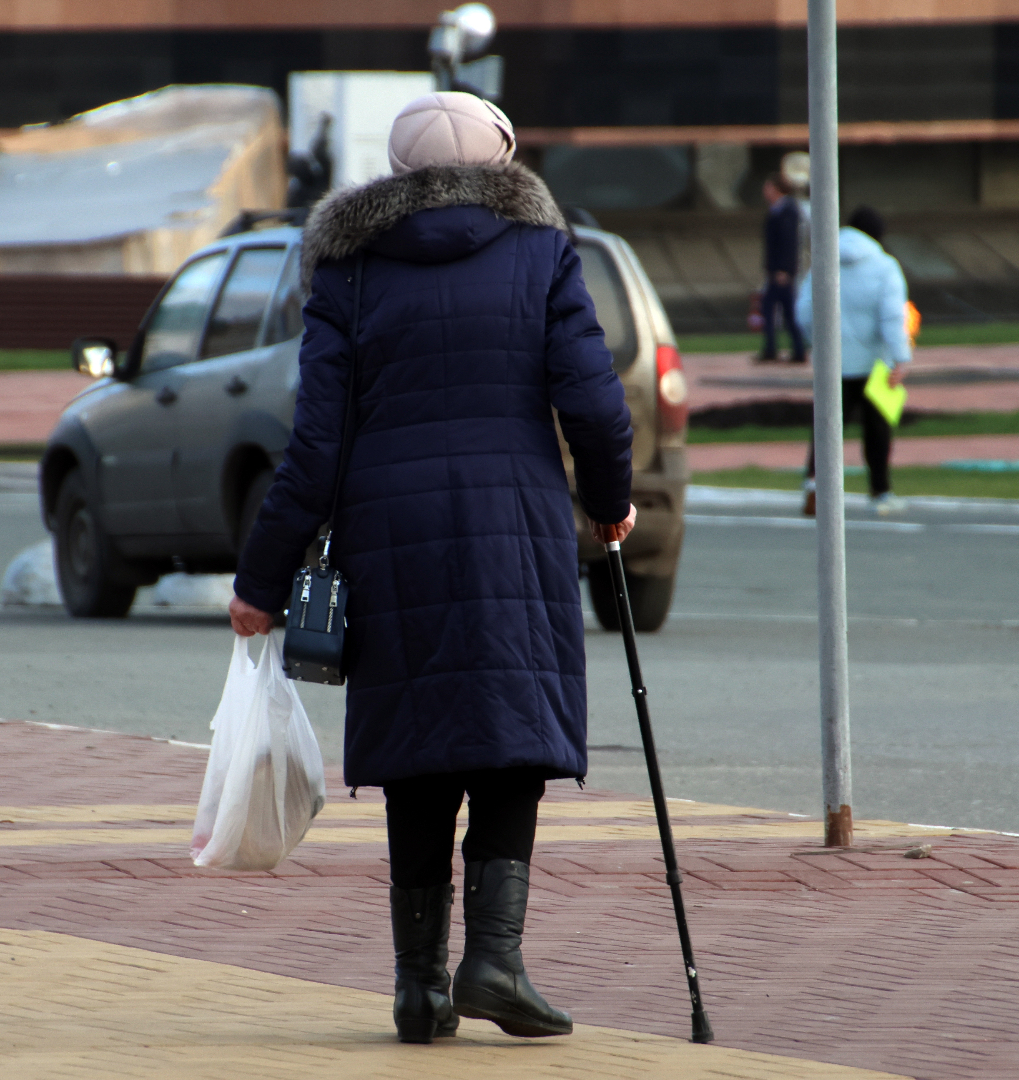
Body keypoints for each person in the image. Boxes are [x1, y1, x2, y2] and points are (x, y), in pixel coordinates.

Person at [228, 91, 635, 1046]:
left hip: (388, 528)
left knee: (417, 744)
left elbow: (315, 439)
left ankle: (418, 988)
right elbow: (592, 396)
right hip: (516, 524)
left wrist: (261, 578)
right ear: (500, 161)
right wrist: (609, 499)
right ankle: (494, 959)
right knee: (512, 730)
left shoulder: (348, 264)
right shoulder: (540, 249)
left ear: (399, 170)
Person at [797, 205, 913, 515]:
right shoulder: (885, 266)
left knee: (826, 427)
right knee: (877, 429)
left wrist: (818, 343)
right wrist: (900, 358)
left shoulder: (823, 260)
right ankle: (880, 493)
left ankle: (813, 486)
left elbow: (804, 311)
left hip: (831, 362)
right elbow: (892, 317)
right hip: (875, 363)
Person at [757, 173, 807, 365]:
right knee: (778, 309)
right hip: (776, 269)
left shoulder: (787, 211)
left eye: (768, 188)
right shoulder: (778, 210)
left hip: (782, 271)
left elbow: (788, 243)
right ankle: (786, 349)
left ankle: (789, 350)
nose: (765, 192)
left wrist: (784, 269)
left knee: (781, 310)